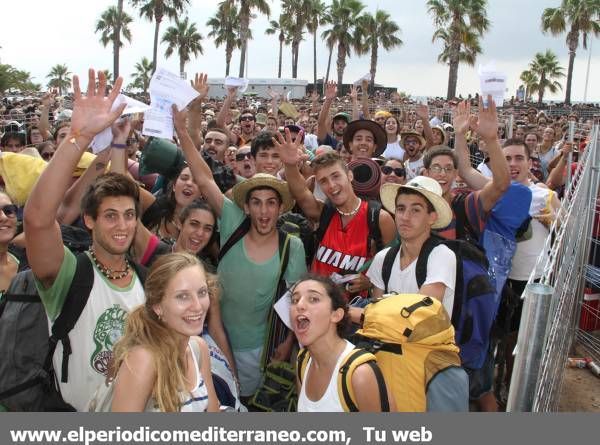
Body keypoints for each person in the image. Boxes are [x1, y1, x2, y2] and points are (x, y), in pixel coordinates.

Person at [23, 69, 146, 411]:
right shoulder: (69, 275)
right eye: (110, 215)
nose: (122, 225)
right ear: (89, 220)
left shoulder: (147, 281)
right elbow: (37, 219)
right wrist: (79, 138)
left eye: (129, 215)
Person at [171, 105, 307, 399]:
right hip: (208, 336)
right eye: (256, 202)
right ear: (245, 206)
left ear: (280, 208)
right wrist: (183, 132)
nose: (263, 210)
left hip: (257, 351)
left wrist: (285, 346)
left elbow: (295, 300)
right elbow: (204, 178)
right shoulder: (232, 219)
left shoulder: (291, 246)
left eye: (271, 203)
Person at [275, 131, 396, 298]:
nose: (331, 185)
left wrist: (369, 282)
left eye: (336, 176)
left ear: (350, 175)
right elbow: (301, 193)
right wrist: (289, 165)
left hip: (353, 316)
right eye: (323, 181)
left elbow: (390, 269)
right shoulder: (324, 213)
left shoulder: (379, 219)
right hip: (315, 309)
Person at [109, 253, 219, 412]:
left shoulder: (198, 348)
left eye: (202, 292)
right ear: (158, 306)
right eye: (183, 296)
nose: (197, 306)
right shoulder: (143, 359)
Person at [291, 274, 394, 412]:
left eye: (313, 299)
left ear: (336, 315)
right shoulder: (303, 360)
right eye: (295, 299)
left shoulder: (360, 374)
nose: (300, 305)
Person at [361, 177, 455, 316]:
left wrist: (352, 313)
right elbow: (375, 318)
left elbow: (418, 316)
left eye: (415, 210)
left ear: (432, 217)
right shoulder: (383, 258)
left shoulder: (442, 256)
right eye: (400, 209)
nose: (405, 217)